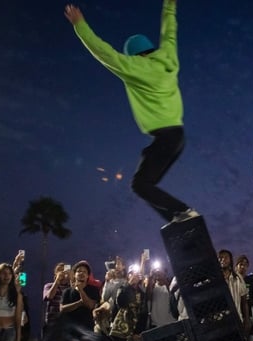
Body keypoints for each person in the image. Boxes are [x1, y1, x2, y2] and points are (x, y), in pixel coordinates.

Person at [64, 1, 198, 224]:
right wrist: (170, 4)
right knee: (147, 183)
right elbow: (169, 31)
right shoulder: (168, 57)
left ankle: (183, 212)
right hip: (178, 137)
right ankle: (176, 217)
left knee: (140, 184)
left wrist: (80, 26)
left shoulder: (134, 67)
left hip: (165, 137)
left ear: (135, 55)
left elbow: (104, 52)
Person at [219, 249, 249, 331]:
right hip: (219, 321)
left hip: (236, 320)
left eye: (226, 257)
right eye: (220, 257)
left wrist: (246, 320)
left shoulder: (238, 278)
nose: (223, 259)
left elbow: (244, 301)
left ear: (230, 260)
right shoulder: (215, 279)